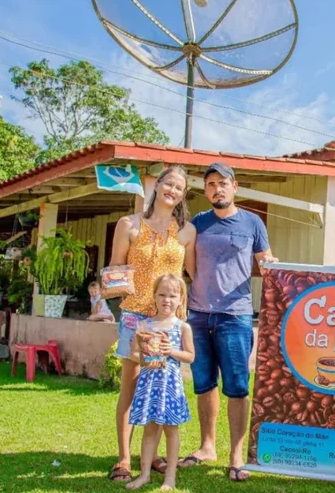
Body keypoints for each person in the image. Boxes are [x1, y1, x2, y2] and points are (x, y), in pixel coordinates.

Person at [178, 162, 277, 482]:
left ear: (235, 187)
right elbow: (184, 257)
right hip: (198, 314)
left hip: (236, 316)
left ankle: (236, 455)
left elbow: (268, 264)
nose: (216, 189)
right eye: (210, 184)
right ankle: (207, 446)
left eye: (222, 183)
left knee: (236, 386)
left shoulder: (252, 223)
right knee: (204, 382)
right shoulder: (198, 223)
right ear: (205, 190)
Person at [108, 165, 197, 482]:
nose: (173, 190)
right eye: (169, 183)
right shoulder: (129, 224)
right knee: (130, 389)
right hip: (135, 317)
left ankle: (154, 455)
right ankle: (123, 459)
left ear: (183, 195)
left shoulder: (187, 232)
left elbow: (191, 276)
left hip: (169, 323)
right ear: (157, 185)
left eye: (180, 187)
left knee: (159, 388)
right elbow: (115, 269)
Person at [126, 273, 195, 491]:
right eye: (162, 294)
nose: (167, 300)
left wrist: (171, 351)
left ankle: (170, 477)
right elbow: (134, 354)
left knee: (171, 430)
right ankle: (144, 474)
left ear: (181, 299)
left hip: (170, 386)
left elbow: (191, 356)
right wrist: (146, 360)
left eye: (172, 296)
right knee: (149, 430)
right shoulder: (144, 325)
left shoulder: (182, 327)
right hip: (149, 384)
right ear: (154, 297)